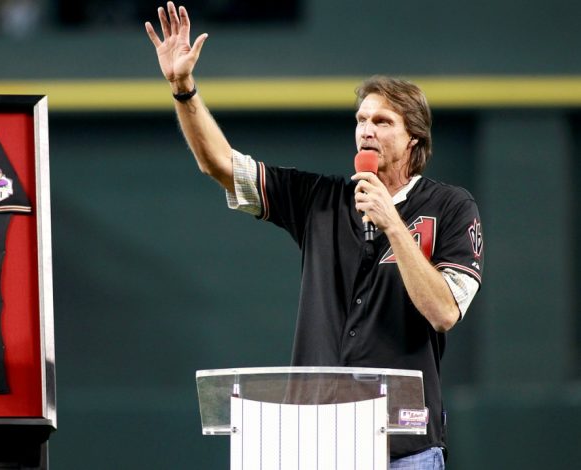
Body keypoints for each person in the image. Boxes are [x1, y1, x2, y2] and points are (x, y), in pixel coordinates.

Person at [145, 3, 484, 469]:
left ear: (413, 140)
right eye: (361, 120)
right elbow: (221, 165)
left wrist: (392, 225)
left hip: (404, 451)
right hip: (319, 441)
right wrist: (183, 89)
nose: (366, 130)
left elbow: (444, 312)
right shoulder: (320, 199)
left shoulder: (450, 206)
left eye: (382, 122)